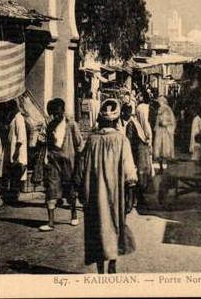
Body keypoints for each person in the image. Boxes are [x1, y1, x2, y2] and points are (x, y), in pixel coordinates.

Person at [77, 98, 137, 274]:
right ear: (116, 120)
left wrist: (81, 191)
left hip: (95, 193)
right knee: (113, 225)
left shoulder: (92, 140)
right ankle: (112, 264)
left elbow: (81, 167)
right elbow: (129, 171)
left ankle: (100, 270)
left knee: (96, 228)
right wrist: (130, 195)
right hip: (115, 193)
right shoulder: (121, 140)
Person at [40, 97, 84, 232]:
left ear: (63, 111)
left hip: (69, 163)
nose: (57, 116)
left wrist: (78, 164)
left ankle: (74, 214)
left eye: (59, 113)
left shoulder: (71, 125)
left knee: (71, 190)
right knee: (51, 190)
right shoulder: (50, 126)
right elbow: (46, 144)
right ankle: (51, 222)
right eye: (55, 113)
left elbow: (79, 145)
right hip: (54, 162)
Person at [122, 104, 152, 204]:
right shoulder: (132, 124)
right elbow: (129, 141)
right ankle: (136, 198)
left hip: (142, 155)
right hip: (136, 155)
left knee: (143, 175)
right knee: (137, 176)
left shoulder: (143, 124)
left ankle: (139, 197)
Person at [3, 100, 28, 204]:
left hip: (17, 152)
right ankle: (13, 197)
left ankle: (15, 198)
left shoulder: (19, 118)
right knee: (14, 175)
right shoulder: (14, 118)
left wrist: (16, 151)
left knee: (16, 175)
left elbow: (20, 137)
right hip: (14, 151)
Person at [153, 95, 176, 172]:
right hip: (160, 132)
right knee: (160, 150)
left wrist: (164, 123)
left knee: (165, 150)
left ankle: (165, 167)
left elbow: (171, 121)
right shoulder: (161, 110)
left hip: (165, 132)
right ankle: (161, 167)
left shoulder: (167, 110)